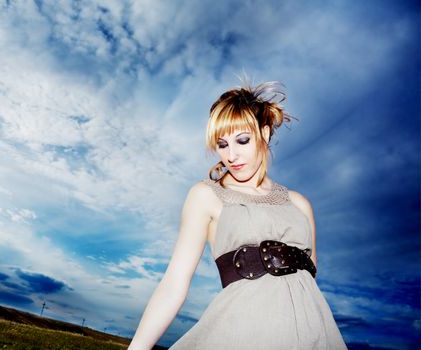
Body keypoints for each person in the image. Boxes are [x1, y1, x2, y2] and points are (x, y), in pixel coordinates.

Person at [128, 80, 347, 349]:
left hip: (315, 334)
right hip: (242, 332)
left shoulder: (300, 204)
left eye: (242, 140)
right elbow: (174, 284)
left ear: (264, 134)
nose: (232, 155)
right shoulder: (206, 195)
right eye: (222, 144)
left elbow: (308, 284)